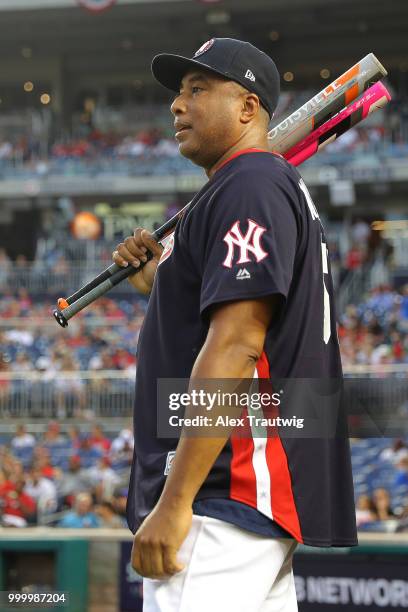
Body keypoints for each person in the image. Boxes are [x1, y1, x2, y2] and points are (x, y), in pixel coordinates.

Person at [113, 38, 357, 611]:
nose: (178, 105)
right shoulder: (250, 186)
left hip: (225, 490)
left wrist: (175, 503)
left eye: (198, 90)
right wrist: (163, 283)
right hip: (246, 496)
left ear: (248, 108)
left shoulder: (250, 184)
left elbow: (238, 346)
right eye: (178, 93)